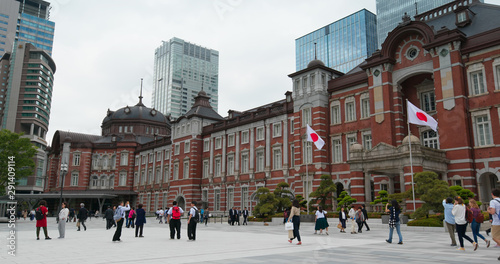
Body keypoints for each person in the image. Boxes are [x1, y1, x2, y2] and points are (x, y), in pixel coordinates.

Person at [487, 189, 500, 259]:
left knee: (494, 237)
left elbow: (492, 212)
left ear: (492, 194)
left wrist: (488, 210)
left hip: (497, 222)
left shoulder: (493, 201)